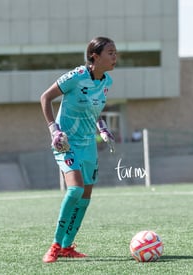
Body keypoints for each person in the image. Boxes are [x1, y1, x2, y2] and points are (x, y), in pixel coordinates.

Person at [40, 37, 117, 263]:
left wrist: (102, 128)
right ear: (95, 56)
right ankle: (55, 245)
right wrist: (54, 130)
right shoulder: (76, 76)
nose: (115, 57)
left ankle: (66, 247)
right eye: (110, 52)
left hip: (88, 145)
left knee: (85, 196)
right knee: (75, 190)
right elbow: (45, 98)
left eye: (116, 52)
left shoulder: (107, 81)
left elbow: (94, 111)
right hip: (66, 143)